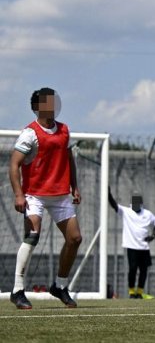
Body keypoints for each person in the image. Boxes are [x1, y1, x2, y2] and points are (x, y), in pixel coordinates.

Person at [8, 88, 82, 309]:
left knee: (75, 239)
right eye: (46, 103)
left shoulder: (65, 131)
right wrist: (19, 194)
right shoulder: (29, 133)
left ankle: (60, 286)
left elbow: (69, 159)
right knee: (32, 236)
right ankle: (17, 290)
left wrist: (74, 186)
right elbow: (14, 165)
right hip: (34, 195)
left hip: (60, 196)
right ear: (37, 107)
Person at [108, 188, 155, 299]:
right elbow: (114, 205)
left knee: (144, 270)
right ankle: (132, 292)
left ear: (141, 204)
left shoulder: (147, 214)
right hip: (131, 246)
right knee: (132, 269)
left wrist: (153, 236)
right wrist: (108, 194)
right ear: (131, 203)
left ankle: (140, 292)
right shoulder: (127, 211)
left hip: (144, 247)